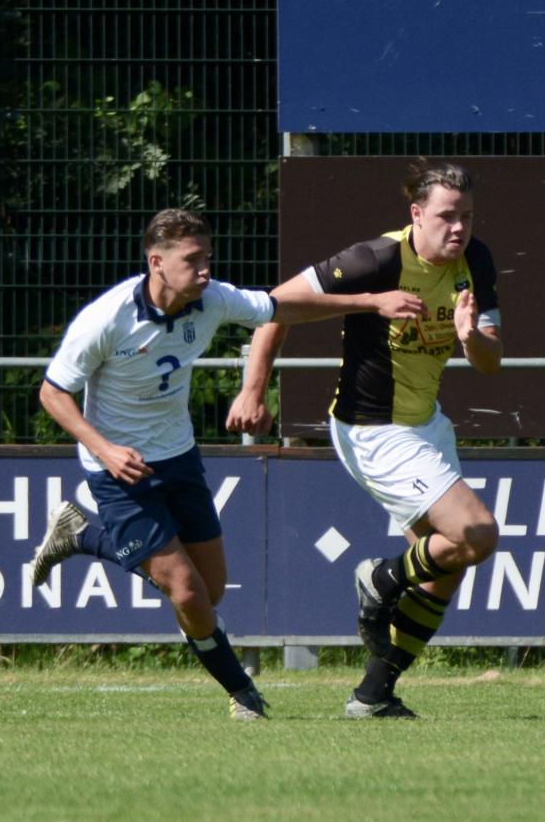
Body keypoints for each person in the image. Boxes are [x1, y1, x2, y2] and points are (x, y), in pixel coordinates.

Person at [30, 208, 424, 720]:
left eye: (207, 258)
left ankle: (82, 535)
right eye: (192, 260)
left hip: (178, 456)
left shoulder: (212, 300)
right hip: (119, 471)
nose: (204, 270)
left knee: (208, 593)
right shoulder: (107, 319)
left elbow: (285, 308)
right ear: (157, 262)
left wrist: (369, 302)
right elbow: (52, 392)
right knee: (186, 591)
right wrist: (104, 448)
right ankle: (244, 695)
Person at [229, 161, 504, 718]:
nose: (458, 228)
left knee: (448, 563)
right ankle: (377, 579)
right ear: (416, 215)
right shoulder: (377, 259)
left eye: (467, 217)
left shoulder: (476, 261)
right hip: (372, 428)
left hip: (425, 425)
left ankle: (373, 695)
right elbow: (273, 309)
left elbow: (491, 363)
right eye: (446, 217)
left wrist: (471, 338)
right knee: (477, 532)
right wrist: (252, 391)